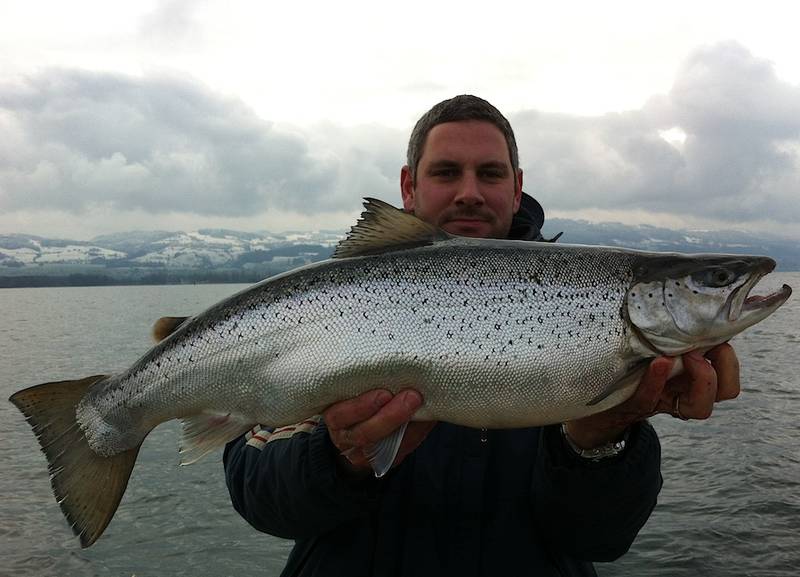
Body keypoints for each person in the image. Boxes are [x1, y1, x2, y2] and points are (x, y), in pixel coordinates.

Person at [224, 95, 741, 576]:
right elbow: (260, 498)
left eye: (490, 173)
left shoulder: (590, 319)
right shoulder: (319, 306)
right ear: (408, 187)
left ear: (516, 188)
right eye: (446, 172)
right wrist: (338, 459)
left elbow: (599, 539)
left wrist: (599, 439)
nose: (469, 192)